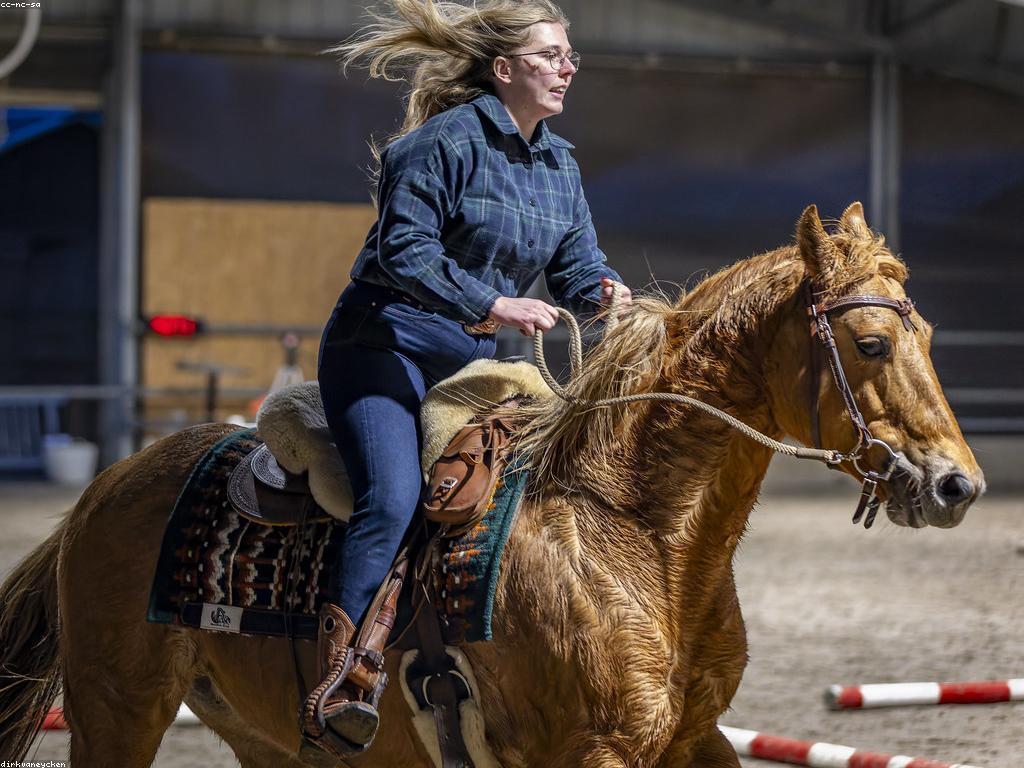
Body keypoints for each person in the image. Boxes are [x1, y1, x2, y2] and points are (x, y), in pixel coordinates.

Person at [308, 0, 632, 756]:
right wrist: (492, 301)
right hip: (381, 345)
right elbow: (403, 251)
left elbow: (577, 267)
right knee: (388, 499)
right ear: (505, 68)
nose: (567, 67)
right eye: (551, 55)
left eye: (570, 55)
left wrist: (605, 292)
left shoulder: (561, 163)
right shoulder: (438, 144)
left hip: (477, 367)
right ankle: (340, 681)